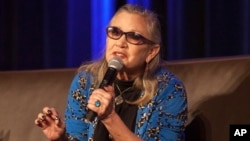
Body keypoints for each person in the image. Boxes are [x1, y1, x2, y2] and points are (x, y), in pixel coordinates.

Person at [34, 4, 188, 141]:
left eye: (134, 36)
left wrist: (109, 117)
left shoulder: (169, 90)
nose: (120, 43)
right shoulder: (85, 82)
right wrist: (61, 139)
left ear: (151, 52)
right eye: (115, 32)